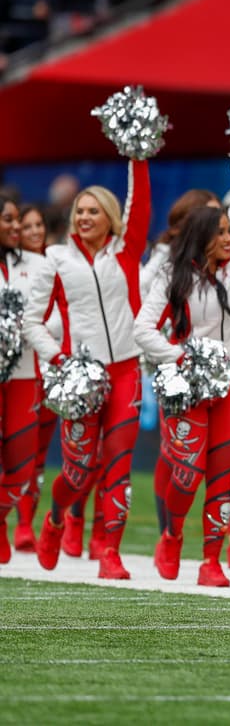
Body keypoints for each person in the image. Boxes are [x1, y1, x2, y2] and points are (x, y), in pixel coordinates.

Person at [135, 195, 230, 586]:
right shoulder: (172, 276)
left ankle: (211, 561)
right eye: (220, 232)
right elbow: (143, 329)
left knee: (223, 479)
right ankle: (172, 536)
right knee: (187, 475)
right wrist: (180, 357)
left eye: (229, 231)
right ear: (201, 235)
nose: (228, 239)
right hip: (189, 388)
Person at [25, 159, 150, 581]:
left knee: (118, 465)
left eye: (93, 211)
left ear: (110, 217)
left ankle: (109, 552)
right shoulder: (55, 259)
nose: (84, 217)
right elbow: (32, 322)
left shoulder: (127, 250)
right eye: (80, 210)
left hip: (127, 370)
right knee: (77, 472)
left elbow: (141, 203)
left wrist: (138, 156)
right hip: (81, 378)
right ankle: (56, 518)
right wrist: (58, 359)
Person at [0, 196, 54, 562]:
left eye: (18, 219)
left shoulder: (39, 264)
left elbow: (56, 312)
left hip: (25, 374)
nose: (17, 226)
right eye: (9, 219)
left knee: (21, 467)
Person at [12, 205, 60, 554]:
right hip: (17, 372)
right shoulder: (10, 269)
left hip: (50, 373)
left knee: (37, 454)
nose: (33, 231)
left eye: (38, 224)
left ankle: (25, 524)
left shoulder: (57, 264)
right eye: (26, 226)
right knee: (15, 451)